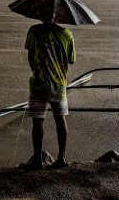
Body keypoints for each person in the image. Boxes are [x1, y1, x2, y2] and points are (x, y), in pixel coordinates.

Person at [21, 20, 76, 170]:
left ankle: (37, 160)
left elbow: (31, 56)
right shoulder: (67, 34)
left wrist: (37, 72)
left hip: (39, 83)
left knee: (38, 121)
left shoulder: (34, 31)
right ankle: (61, 158)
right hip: (59, 84)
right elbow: (71, 60)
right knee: (60, 118)